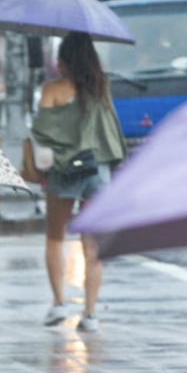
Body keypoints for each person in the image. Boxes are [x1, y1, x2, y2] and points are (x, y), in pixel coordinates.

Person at [33, 32, 126, 332]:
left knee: (55, 237)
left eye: (60, 57)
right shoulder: (101, 88)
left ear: (66, 60)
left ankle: (59, 303)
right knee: (93, 244)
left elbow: (42, 132)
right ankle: (90, 313)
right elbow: (110, 131)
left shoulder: (52, 89)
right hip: (97, 169)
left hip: (64, 171)